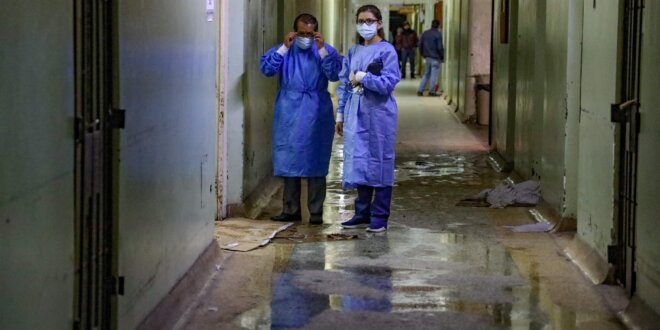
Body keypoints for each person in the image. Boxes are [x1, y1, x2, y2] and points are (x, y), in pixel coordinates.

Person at [260, 13, 342, 224]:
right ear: (294, 32)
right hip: (289, 109)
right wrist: (284, 48)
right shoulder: (285, 50)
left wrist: (323, 50)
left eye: (309, 34)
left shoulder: (325, 50)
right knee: (290, 158)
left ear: (316, 32)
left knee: (316, 160)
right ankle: (290, 210)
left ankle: (316, 213)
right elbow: (267, 69)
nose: (305, 38)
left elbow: (335, 74)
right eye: (301, 33)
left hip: (317, 110)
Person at [335, 4, 401, 232]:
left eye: (369, 21)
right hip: (356, 113)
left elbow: (388, 83)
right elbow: (345, 83)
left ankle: (380, 217)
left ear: (379, 23)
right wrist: (340, 113)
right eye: (361, 21)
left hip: (379, 114)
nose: (365, 25)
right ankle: (361, 213)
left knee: (379, 162)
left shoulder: (387, 51)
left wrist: (364, 78)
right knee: (360, 161)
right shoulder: (353, 52)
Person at [417, 19, 444, 96]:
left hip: (427, 57)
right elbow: (439, 47)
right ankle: (432, 91)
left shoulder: (425, 33)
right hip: (435, 57)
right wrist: (442, 57)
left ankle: (420, 90)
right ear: (438, 25)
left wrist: (422, 54)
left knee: (426, 74)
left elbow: (420, 44)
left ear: (431, 24)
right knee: (434, 75)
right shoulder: (438, 34)